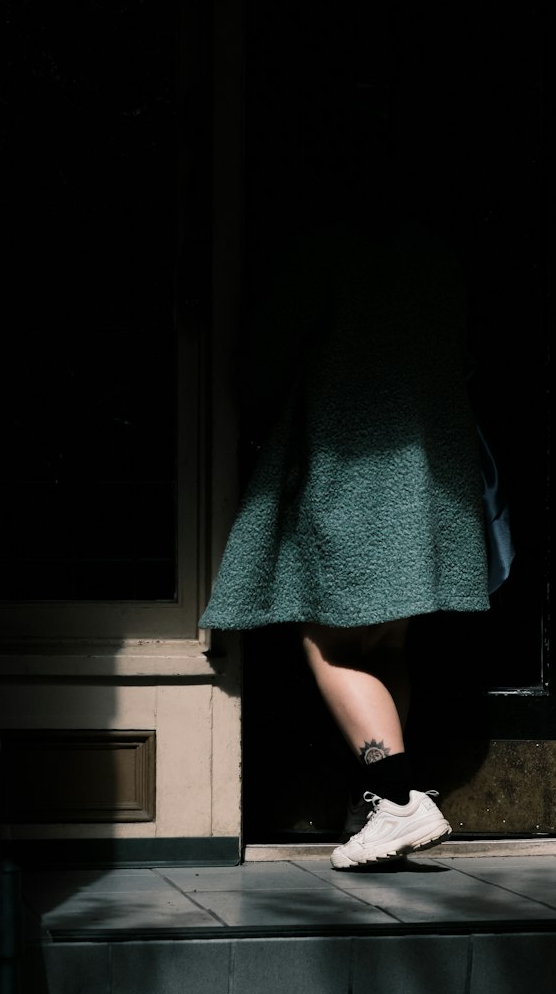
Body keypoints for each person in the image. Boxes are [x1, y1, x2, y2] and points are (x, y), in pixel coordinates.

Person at [200, 100, 493, 868]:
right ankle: (389, 798)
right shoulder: (436, 254)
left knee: (327, 638)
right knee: (385, 637)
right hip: (429, 471)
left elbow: (258, 367)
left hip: (354, 466)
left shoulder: (324, 252)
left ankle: (396, 797)